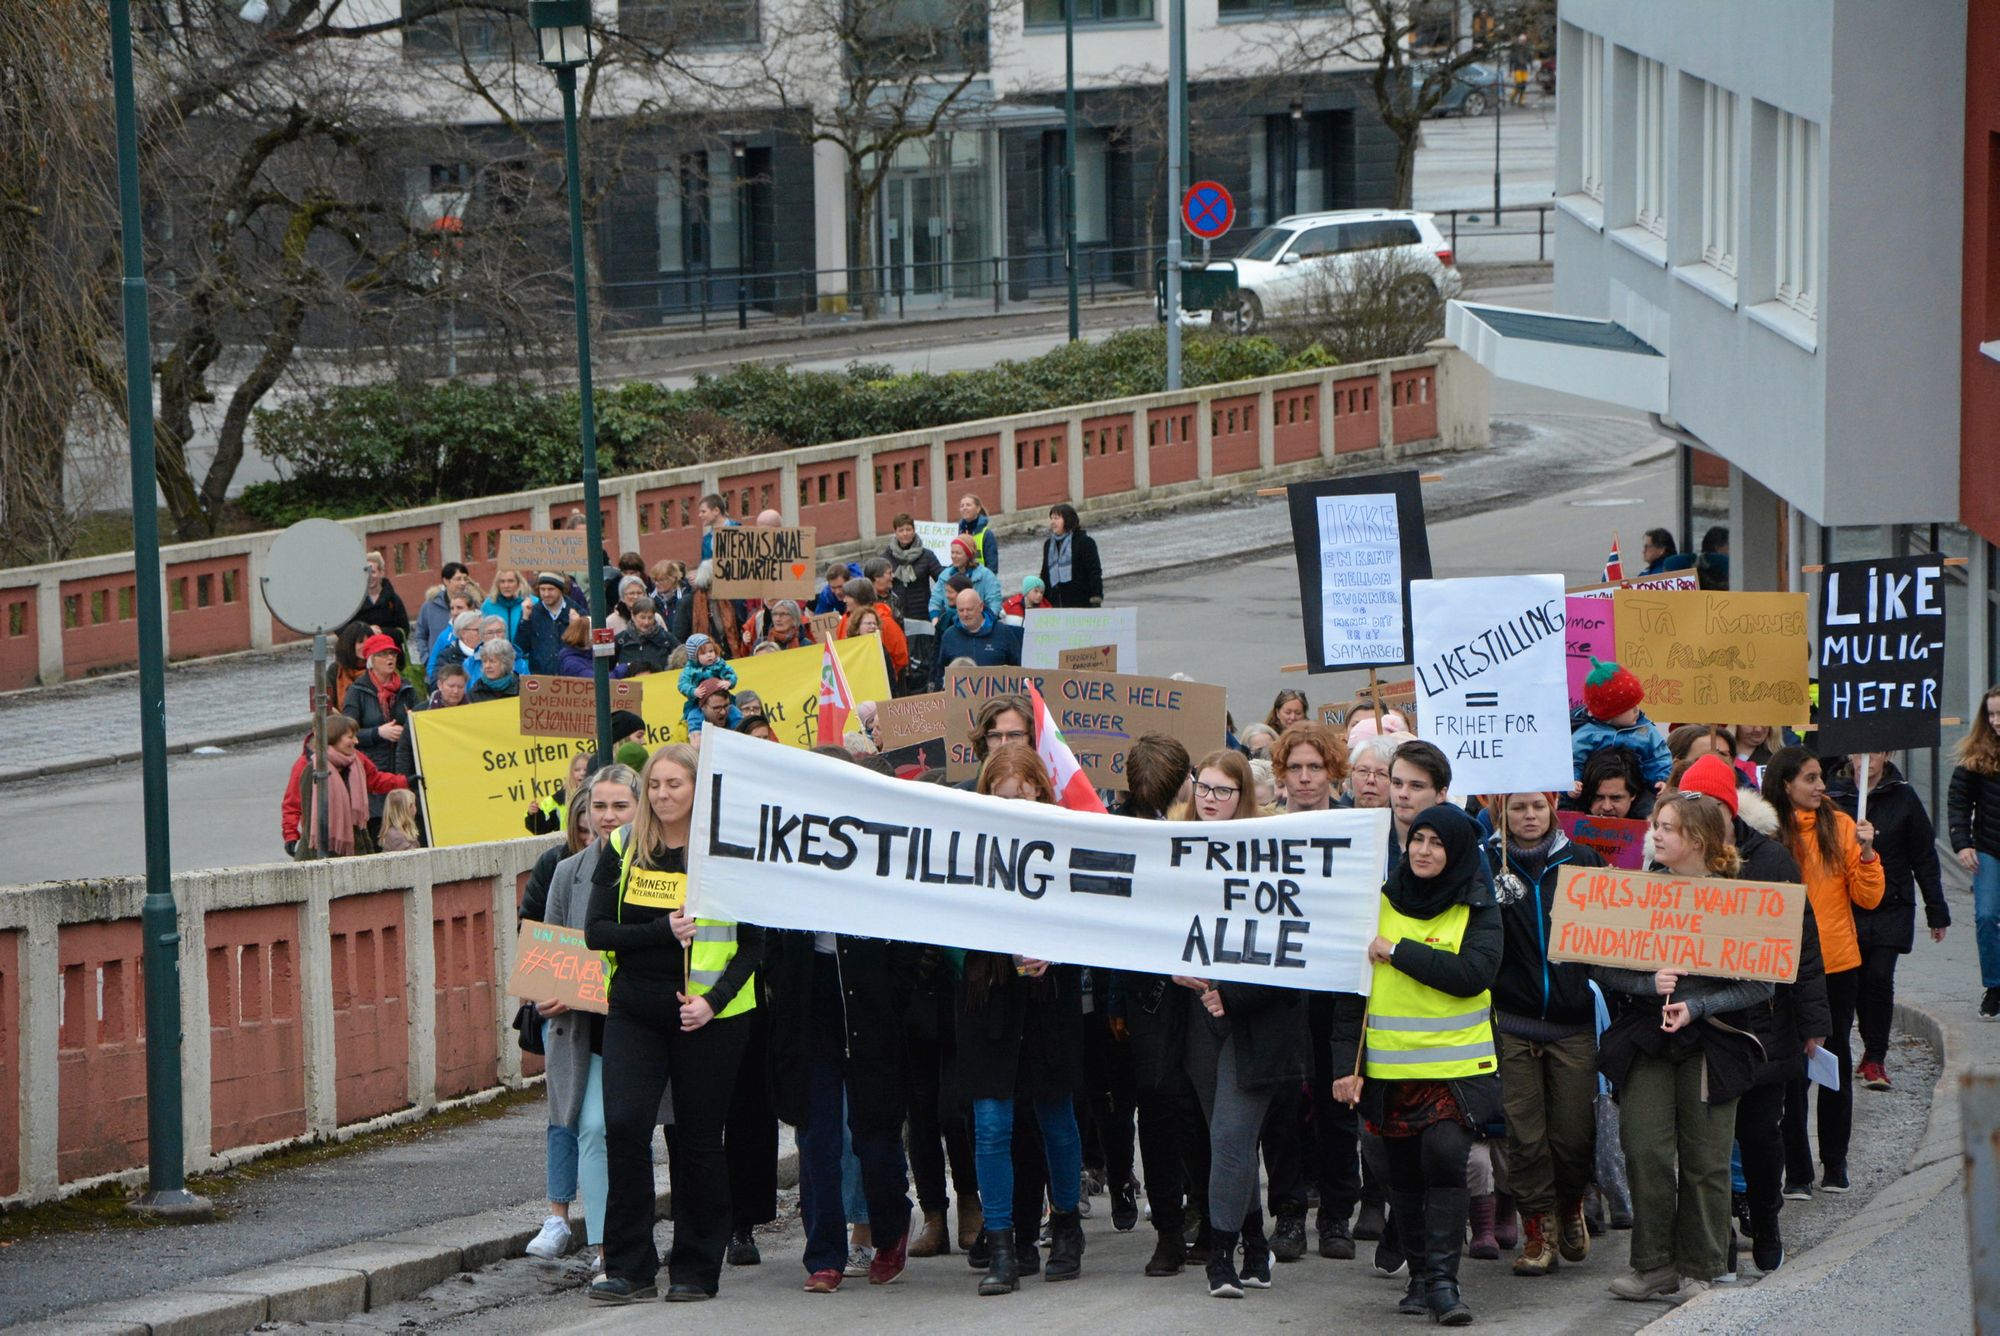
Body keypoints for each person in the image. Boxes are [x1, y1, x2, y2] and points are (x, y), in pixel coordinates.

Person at [586, 745, 764, 1304]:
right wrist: (661, 932)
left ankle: (695, 1266)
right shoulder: (621, 846)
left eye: (674, 785)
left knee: (698, 1140)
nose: (663, 795)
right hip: (635, 1009)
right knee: (624, 1127)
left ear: (698, 788)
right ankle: (630, 1266)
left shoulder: (728, 848)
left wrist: (712, 1001)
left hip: (710, 1015)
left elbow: (756, 944)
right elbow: (596, 932)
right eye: (655, 785)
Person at [1596, 791, 1773, 1304]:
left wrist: (1698, 1006)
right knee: (1645, 1150)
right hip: (1647, 1040)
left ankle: (1702, 1264)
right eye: (1656, 824)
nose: (1655, 834)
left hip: (1712, 1044)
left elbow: (1761, 985)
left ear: (1695, 839)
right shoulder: (1636, 894)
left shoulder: (1735, 900)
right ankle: (1652, 1265)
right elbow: (1597, 961)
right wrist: (1648, 984)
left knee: (1706, 1159)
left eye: (1666, 827)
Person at [1330, 804, 1501, 1326]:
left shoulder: (1478, 906)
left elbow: (1473, 973)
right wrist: (1345, 1066)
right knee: (1400, 1175)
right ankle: (1421, 1276)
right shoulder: (1375, 904)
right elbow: (1350, 997)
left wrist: (1398, 951)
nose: (1424, 850)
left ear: (1457, 852)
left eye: (1437, 843)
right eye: (1417, 840)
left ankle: (1446, 1284)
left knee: (1445, 1160)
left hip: (1455, 1071)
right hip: (1389, 1072)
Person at [763, 775, 922, 1292]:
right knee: (818, 1137)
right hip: (812, 1010)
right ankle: (824, 1256)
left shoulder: (881, 853)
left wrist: (893, 995)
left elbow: (909, 939)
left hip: (871, 1008)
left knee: (875, 1137)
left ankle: (890, 1229)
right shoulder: (788, 857)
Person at [1675, 754, 1823, 1277]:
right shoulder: (1668, 859)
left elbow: (1803, 948)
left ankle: (1766, 1215)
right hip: (1702, 1028)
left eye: (1713, 804)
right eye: (1693, 804)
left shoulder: (1772, 861)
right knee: (1708, 1141)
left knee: (1760, 1135)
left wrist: (1813, 1026)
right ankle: (1715, 1238)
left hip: (1764, 1024)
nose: (1703, 814)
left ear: (1730, 808)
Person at [1173, 749, 1305, 1299]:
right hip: (1197, 1017)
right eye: (1203, 787)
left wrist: (1235, 993)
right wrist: (1170, 967)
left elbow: (1294, 950)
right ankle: (1255, 1242)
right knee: (1229, 1139)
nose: (1210, 798)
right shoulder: (1174, 847)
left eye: (1223, 791)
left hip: (1254, 1019)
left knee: (1230, 1136)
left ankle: (1220, 1256)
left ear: (1242, 797)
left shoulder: (1271, 852)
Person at [957, 745, 1086, 1294]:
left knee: (1055, 1117)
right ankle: (1004, 1247)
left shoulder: (1067, 840)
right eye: (999, 798)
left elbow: (1091, 916)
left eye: (1020, 795)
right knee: (990, 1126)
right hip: (989, 1000)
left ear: (1039, 788)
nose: (1010, 806)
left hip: (1048, 999)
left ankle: (1066, 1228)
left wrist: (1054, 951)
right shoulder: (967, 845)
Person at [1483, 791, 1603, 1276]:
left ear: (1552, 808)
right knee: (1524, 1137)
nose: (1529, 816)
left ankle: (1570, 1203)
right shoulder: (1487, 863)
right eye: (1517, 808)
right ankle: (1537, 1227)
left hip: (1573, 1023)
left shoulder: (1583, 859)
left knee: (1573, 1135)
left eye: (1537, 806)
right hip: (1513, 1022)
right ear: (1501, 812)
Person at [531, 771, 644, 1267]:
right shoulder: (567, 871)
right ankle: (603, 1247)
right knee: (593, 1127)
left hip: (647, 1025)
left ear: (640, 808)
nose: (608, 816)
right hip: (588, 1030)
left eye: (620, 805)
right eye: (600, 806)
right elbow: (548, 947)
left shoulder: (660, 868)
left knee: (664, 1135)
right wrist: (546, 993)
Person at [1763, 746, 1883, 1198]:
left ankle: (1835, 1163)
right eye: (1810, 779)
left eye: (1821, 778)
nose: (1820, 787)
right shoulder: (1766, 832)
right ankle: (1797, 1172)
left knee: (1833, 1064)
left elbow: (1868, 898)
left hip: (1836, 964)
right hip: (1783, 964)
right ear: (1786, 783)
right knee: (1789, 1070)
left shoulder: (1844, 826)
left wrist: (1869, 854)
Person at [1264, 724, 1362, 1262]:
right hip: (1282, 987)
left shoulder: (1356, 829)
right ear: (1282, 773)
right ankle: (1289, 1214)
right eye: (1295, 768)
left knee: (1336, 1104)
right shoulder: (1266, 831)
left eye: (1315, 768)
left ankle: (1336, 1217)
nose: (1305, 778)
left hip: (1337, 986)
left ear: (1333, 772)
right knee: (1282, 1104)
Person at [1829, 752, 1948, 1091]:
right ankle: (1855, 1049)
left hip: (1891, 902)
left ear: (1888, 755)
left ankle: (1875, 1056)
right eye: (1859, 752)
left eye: (1875, 752)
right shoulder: (1833, 795)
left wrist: (1936, 910)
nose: (1866, 759)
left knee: (1879, 978)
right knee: (1852, 983)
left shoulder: (1903, 795)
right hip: (1846, 903)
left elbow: (1924, 855)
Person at [280, 714, 409, 858]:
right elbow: (292, 804)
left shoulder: (356, 759)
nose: (356, 740)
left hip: (356, 841)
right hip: (322, 848)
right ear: (334, 737)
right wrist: (290, 835)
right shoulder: (309, 767)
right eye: (350, 736)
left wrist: (405, 782)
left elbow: (374, 779)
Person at [1948, 685, 2000, 1020]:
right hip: (1990, 848)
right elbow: (1958, 800)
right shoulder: (1978, 754)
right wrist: (1962, 842)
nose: (1996, 721)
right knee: (1985, 916)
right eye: (1991, 714)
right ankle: (1995, 985)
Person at [341, 633, 416, 822]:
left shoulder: (406, 688)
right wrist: (378, 733)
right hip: (374, 770)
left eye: (393, 654)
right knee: (379, 826)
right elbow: (346, 733)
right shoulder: (356, 692)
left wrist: (409, 726)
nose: (390, 658)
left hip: (403, 766)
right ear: (371, 660)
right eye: (383, 654)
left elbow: (420, 718)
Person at [1570, 659, 1672, 787]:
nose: (1637, 710)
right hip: (1593, 792)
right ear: (1610, 714)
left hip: (1639, 790)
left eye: (1637, 704)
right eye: (1630, 707)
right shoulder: (1586, 735)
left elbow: (1659, 756)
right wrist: (1573, 781)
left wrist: (1661, 779)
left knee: (1648, 806)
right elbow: (1574, 761)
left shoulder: (1646, 730)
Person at [931, 588, 1023, 688]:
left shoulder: (1003, 632)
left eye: (969, 609)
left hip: (997, 700)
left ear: (980, 607)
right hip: (960, 700)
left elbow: (1018, 668)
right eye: (961, 610)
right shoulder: (949, 636)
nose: (965, 614)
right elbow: (940, 674)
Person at [1564, 746, 1654, 822]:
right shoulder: (1565, 816)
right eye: (1598, 797)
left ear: (1633, 795)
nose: (1607, 807)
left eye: (1616, 798)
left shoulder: (1652, 827)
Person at [1039, 505, 1103, 609]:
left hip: (1081, 603)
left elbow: (1094, 572)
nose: (1053, 522)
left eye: (1057, 518)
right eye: (1051, 518)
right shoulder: (1049, 545)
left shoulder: (1084, 542)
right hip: (1054, 604)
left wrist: (1096, 598)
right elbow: (1045, 573)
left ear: (1068, 520)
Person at [515, 573, 578, 676]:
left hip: (569, 679)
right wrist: (525, 619)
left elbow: (586, 649)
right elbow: (520, 648)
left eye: (550, 589)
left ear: (560, 589)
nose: (546, 594)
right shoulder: (532, 612)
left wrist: (576, 628)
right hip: (541, 681)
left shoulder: (576, 611)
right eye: (542, 589)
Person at [884, 514, 945, 622]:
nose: (905, 533)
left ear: (914, 530)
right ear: (895, 532)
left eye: (908, 529)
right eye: (901, 530)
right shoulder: (886, 557)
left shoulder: (927, 555)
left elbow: (942, 580)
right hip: (896, 613)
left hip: (923, 613)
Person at [411, 561, 473, 665]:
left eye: (465, 579)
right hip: (437, 668)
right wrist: (426, 659)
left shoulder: (473, 605)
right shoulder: (430, 606)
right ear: (446, 581)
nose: (463, 583)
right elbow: (420, 635)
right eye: (458, 579)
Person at [930, 536, 1004, 620]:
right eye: (952, 552)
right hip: (952, 623)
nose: (954, 556)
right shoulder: (945, 575)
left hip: (979, 623)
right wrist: (935, 618)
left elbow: (995, 602)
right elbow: (935, 600)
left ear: (968, 554)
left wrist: (987, 622)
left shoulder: (986, 575)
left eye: (958, 553)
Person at [677, 634, 738, 731]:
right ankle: (695, 735)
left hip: (722, 699)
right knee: (694, 717)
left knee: (735, 713)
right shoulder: (690, 670)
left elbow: (730, 673)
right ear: (694, 657)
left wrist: (729, 682)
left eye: (711, 651)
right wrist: (693, 691)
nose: (709, 655)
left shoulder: (719, 663)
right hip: (699, 702)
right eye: (703, 653)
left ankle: (742, 731)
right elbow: (682, 684)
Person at [355, 550, 411, 652]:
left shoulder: (393, 600)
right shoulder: (354, 601)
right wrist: (367, 631)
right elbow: (343, 631)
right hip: (362, 658)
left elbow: (404, 632)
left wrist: (381, 632)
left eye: (373, 572)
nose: (369, 576)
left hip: (390, 656)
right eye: (366, 572)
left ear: (381, 573)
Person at [615, 598, 676, 675]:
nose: (646, 622)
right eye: (642, 617)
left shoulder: (666, 638)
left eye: (650, 618)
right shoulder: (621, 640)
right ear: (633, 616)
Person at [483, 569, 533, 642]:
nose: (506, 586)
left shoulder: (532, 602)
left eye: (510, 581)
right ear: (497, 584)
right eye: (502, 581)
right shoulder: (488, 605)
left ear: (519, 583)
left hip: (525, 652)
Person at [468, 638, 521, 703]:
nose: (487, 666)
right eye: (484, 661)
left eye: (492, 661)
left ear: (506, 662)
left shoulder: (522, 689)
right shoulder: (473, 694)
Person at [957, 493, 999, 574]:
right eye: (962, 506)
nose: (964, 508)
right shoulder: (956, 533)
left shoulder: (987, 534)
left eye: (968, 505)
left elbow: (992, 567)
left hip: (981, 581)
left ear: (978, 508)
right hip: (960, 582)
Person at [698, 493, 738, 563]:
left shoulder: (739, 529)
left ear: (716, 511)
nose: (700, 515)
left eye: (703, 511)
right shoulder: (706, 540)